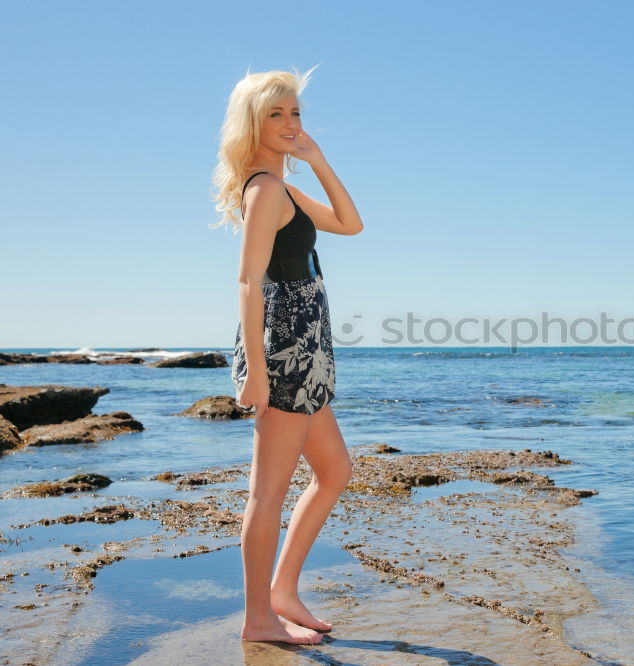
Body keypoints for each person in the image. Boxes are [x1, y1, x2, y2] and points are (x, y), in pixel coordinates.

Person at [210, 65, 364, 645]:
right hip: (284, 354)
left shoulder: (283, 186)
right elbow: (248, 280)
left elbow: (351, 224)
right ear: (252, 122)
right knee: (267, 491)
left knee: (334, 471)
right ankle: (258, 619)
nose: (289, 122)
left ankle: (282, 593)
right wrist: (254, 370)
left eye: (295, 111)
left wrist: (318, 159)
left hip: (307, 352)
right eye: (275, 112)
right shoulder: (265, 188)